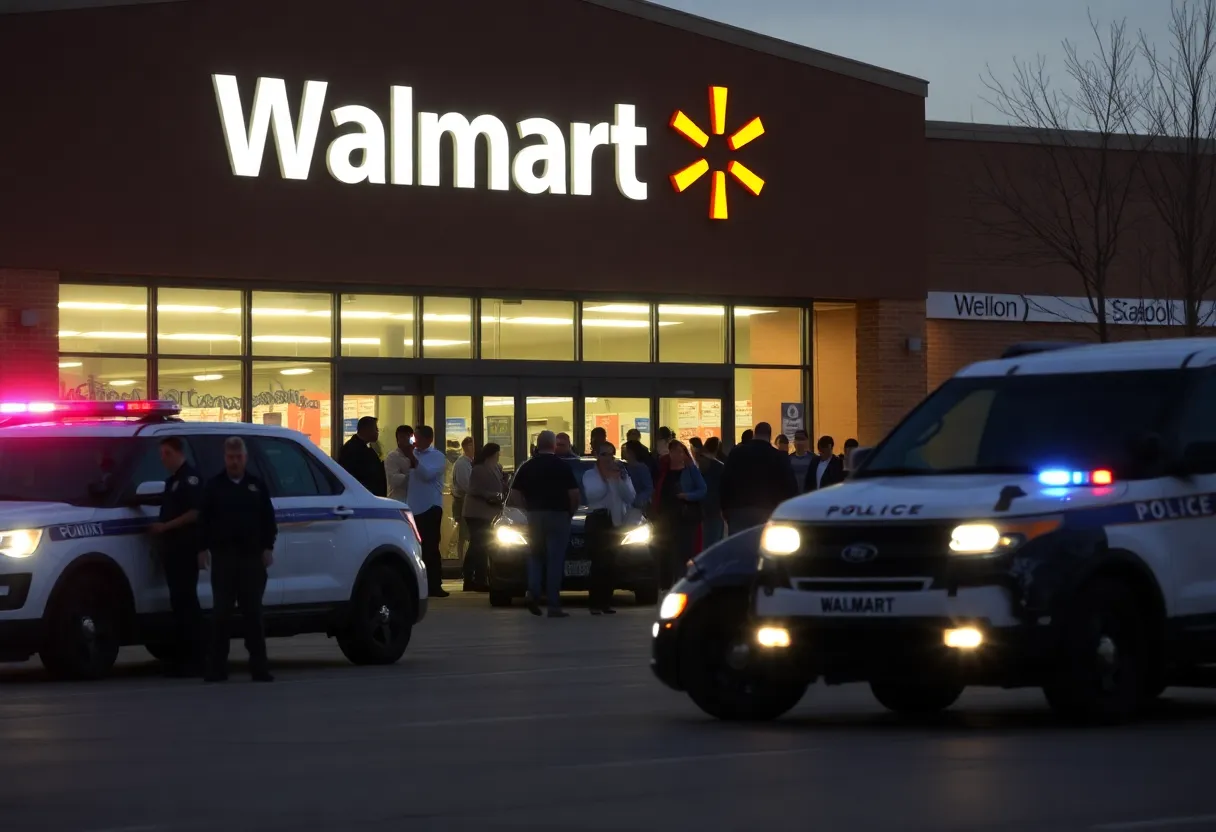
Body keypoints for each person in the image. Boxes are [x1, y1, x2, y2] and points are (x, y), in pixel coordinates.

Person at [198, 437, 277, 683]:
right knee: (221, 614)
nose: (234, 461)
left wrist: (267, 547)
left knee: (253, 614)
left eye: (238, 457)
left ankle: (259, 668)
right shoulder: (214, 486)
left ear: (245, 458)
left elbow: (268, 520)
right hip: (224, 558)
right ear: (225, 458)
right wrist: (202, 549)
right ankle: (217, 668)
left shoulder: (256, 486)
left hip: (251, 558)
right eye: (230, 457)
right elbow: (203, 522)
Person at [509, 430, 580, 618]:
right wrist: (569, 513)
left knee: (535, 555)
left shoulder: (527, 467)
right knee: (555, 560)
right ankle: (553, 605)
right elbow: (574, 494)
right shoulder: (562, 466)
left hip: (535, 516)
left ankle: (533, 592)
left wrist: (527, 509)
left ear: (537, 445)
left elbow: (514, 494)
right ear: (554, 445)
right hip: (558, 516)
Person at [148, 436, 204, 677]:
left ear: (176, 453)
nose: (162, 459)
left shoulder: (189, 479)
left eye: (165, 454)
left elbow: (195, 512)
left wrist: (166, 527)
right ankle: (184, 657)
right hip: (173, 550)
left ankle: (196, 658)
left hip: (185, 548)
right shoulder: (173, 481)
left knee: (187, 603)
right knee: (179, 603)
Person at [582, 441, 636, 615]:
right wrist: (607, 480)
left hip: (615, 521)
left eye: (611, 454)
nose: (608, 458)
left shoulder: (620, 473)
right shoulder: (590, 475)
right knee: (598, 562)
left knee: (611, 563)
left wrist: (619, 480)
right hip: (598, 519)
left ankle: (606, 601)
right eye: (604, 454)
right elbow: (593, 494)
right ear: (597, 455)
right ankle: (595, 603)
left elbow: (630, 496)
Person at [719, 421, 798, 533]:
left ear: (754, 434)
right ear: (769, 436)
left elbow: (725, 481)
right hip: (767, 511)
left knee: (739, 546)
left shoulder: (737, 453)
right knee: (763, 546)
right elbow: (789, 486)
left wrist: (725, 507)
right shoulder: (778, 456)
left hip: (738, 510)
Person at [653, 440, 707, 591]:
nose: (678, 455)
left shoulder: (690, 470)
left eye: (681, 451)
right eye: (675, 452)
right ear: (669, 453)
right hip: (666, 516)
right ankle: (667, 583)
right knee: (667, 550)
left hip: (685, 516)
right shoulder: (664, 469)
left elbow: (702, 489)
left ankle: (683, 582)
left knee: (685, 550)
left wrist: (687, 496)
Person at [409, 425, 450, 598]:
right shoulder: (412, 454)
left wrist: (412, 458)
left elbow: (426, 475)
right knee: (415, 548)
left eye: (418, 438)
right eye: (414, 438)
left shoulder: (438, 457)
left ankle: (435, 584)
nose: (415, 442)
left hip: (430, 507)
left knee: (431, 547)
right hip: (412, 506)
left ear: (428, 439)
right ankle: (417, 584)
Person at [462, 442, 503, 593]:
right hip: (476, 513)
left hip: (489, 512)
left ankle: (480, 578)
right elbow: (474, 489)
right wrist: (490, 496)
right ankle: (472, 578)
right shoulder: (478, 469)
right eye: (497, 454)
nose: (499, 456)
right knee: (477, 546)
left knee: (482, 546)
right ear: (491, 454)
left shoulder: (496, 468)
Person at [339, 416, 387, 497]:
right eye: (375, 428)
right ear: (366, 430)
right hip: (362, 497)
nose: (377, 432)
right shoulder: (352, 449)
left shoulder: (366, 447)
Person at [452, 436, 475, 583]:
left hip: (468, 501)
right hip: (463, 501)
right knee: (464, 536)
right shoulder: (462, 464)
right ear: (466, 447)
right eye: (472, 445)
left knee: (467, 535)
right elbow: (464, 484)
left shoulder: (470, 463)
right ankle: (462, 565)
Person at [697, 436, 726, 548]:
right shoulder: (719, 466)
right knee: (715, 543)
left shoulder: (697, 463)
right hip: (715, 508)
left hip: (700, 507)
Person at [384, 424, 415, 503]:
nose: (406, 440)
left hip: (416, 502)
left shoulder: (419, 455)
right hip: (398, 500)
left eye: (409, 436)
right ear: (398, 439)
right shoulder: (392, 456)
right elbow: (394, 480)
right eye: (403, 437)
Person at [622, 440, 655, 512]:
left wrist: (637, 500)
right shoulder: (623, 467)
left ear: (631, 452)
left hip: (638, 505)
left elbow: (649, 488)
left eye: (625, 449)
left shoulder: (642, 468)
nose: (622, 451)